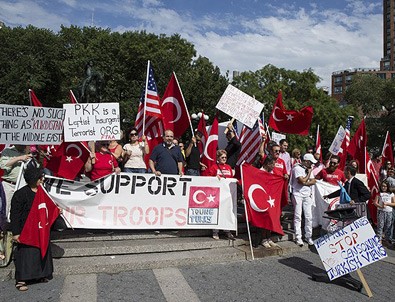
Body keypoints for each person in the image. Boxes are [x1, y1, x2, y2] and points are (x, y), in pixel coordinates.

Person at [10, 164, 55, 291]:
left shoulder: (43, 192)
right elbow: (15, 214)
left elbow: (48, 207)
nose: (42, 180)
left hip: (40, 229)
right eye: (40, 178)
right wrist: (16, 232)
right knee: (26, 255)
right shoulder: (20, 194)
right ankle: (21, 280)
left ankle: (40, 275)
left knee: (40, 253)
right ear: (34, 179)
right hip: (26, 229)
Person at [252, 155, 279, 248]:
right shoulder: (260, 172)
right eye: (272, 164)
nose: (274, 167)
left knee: (270, 219)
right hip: (262, 198)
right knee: (264, 220)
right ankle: (263, 239)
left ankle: (268, 237)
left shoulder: (271, 172)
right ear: (267, 164)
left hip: (270, 199)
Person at [207, 149, 235, 240]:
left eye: (225, 157)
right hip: (217, 194)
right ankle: (216, 231)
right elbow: (207, 177)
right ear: (218, 158)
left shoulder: (228, 167)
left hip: (227, 194)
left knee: (227, 212)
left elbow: (231, 179)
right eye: (222, 157)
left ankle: (227, 231)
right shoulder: (214, 167)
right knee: (217, 212)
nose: (224, 159)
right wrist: (214, 178)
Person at [291, 153, 317, 246]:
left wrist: (306, 182)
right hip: (297, 193)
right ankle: (298, 237)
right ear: (306, 161)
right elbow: (301, 180)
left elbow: (313, 181)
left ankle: (308, 236)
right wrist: (308, 173)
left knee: (308, 216)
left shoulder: (309, 168)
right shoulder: (297, 168)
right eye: (310, 162)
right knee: (298, 216)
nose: (312, 165)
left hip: (307, 194)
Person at [0, 145, 32, 218]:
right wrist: (19, 158)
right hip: (9, 184)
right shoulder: (7, 151)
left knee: (20, 207)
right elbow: (3, 165)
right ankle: (3, 226)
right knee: (6, 206)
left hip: (22, 185)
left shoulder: (27, 153)